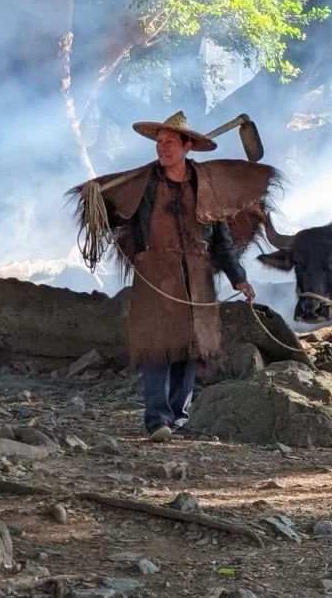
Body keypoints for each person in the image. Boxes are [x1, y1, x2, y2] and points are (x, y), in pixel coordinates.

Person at [70, 112, 277, 441]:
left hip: (198, 276)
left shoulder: (206, 185)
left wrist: (238, 278)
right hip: (156, 275)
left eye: (170, 143)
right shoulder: (142, 184)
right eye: (159, 143)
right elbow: (114, 213)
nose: (162, 148)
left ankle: (180, 417)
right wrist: (96, 196)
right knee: (157, 348)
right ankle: (157, 420)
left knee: (192, 348)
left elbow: (221, 241)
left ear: (187, 145)